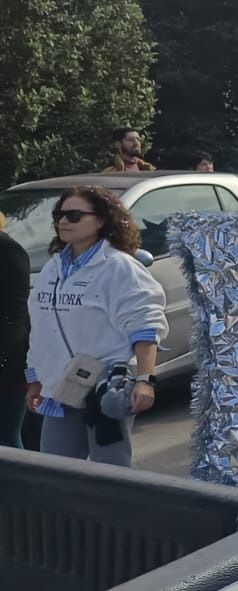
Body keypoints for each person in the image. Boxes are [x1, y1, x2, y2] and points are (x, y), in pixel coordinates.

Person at [23, 187, 167, 466]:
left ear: (100, 220)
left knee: (109, 473)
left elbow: (145, 325)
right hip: (60, 386)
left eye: (74, 215)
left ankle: (112, 511)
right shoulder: (52, 268)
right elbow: (40, 328)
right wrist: (35, 379)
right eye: (59, 215)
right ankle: (66, 512)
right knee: (55, 472)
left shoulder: (119, 267)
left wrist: (145, 380)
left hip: (105, 388)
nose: (63, 221)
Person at [0, 217, 29, 449]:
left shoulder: (8, 250)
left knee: (7, 437)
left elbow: (16, 312)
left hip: (8, 361)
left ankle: (23, 486)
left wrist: (4, 357)